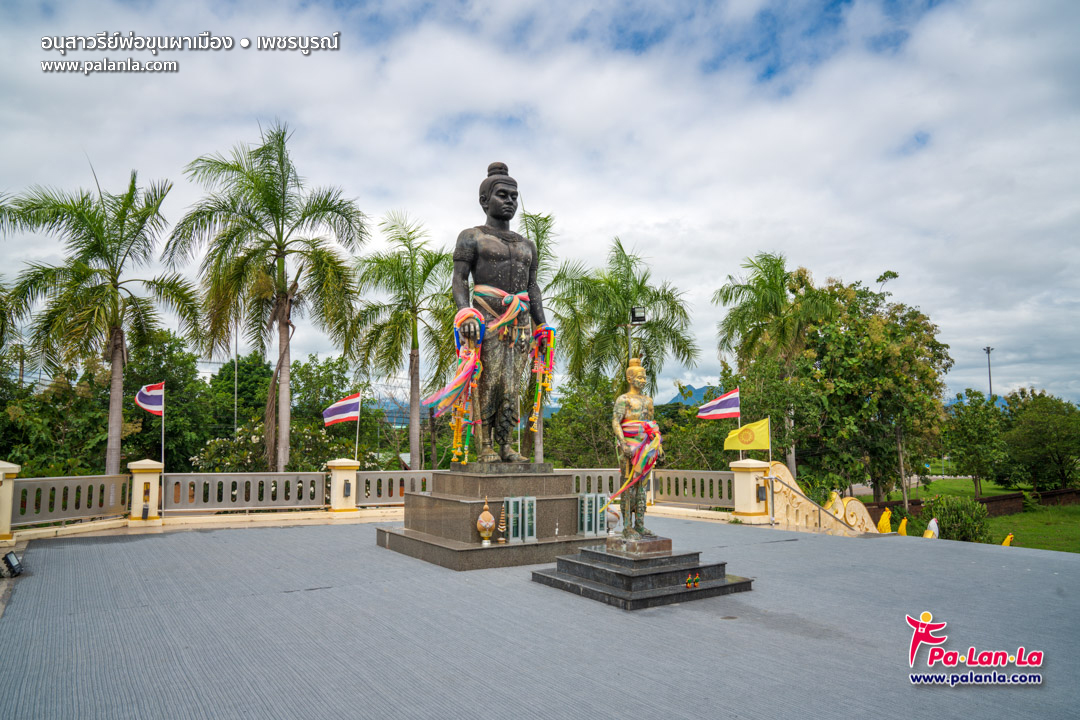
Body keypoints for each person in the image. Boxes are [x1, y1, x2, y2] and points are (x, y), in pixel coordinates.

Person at [452, 162, 547, 463]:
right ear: (484, 200)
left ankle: (506, 443)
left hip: (520, 323)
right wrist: (465, 314)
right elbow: (458, 280)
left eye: (514, 196)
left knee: (512, 383)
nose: (510, 201)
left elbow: (532, 287)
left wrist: (542, 326)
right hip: (486, 318)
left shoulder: (526, 245)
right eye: (503, 195)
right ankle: (485, 444)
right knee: (488, 380)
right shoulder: (472, 236)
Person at [612, 358, 664, 538]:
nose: (643, 380)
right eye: (639, 377)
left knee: (642, 487)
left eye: (644, 377)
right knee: (629, 485)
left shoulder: (648, 401)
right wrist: (623, 442)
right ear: (629, 378)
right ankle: (627, 527)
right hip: (629, 446)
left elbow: (651, 424)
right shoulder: (623, 399)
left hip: (647, 446)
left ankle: (640, 524)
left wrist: (659, 447)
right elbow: (616, 422)